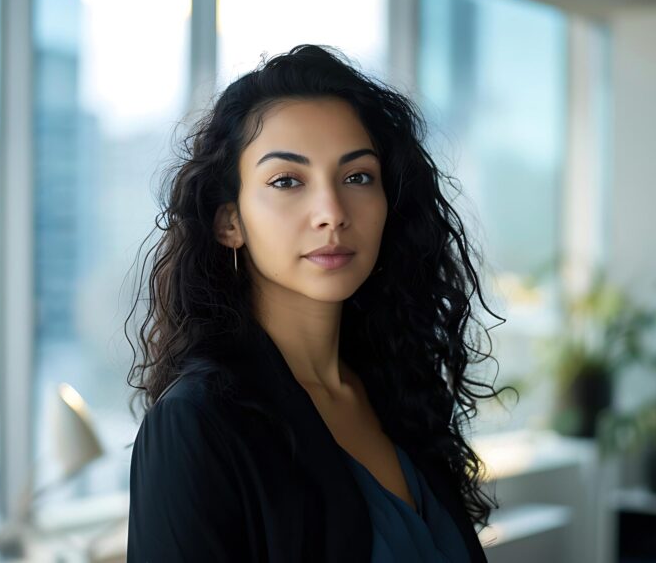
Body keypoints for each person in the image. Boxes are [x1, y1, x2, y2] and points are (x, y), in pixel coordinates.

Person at [125, 44, 511, 562]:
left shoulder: (396, 387)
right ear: (229, 222)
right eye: (287, 181)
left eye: (357, 177)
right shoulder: (197, 422)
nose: (332, 212)